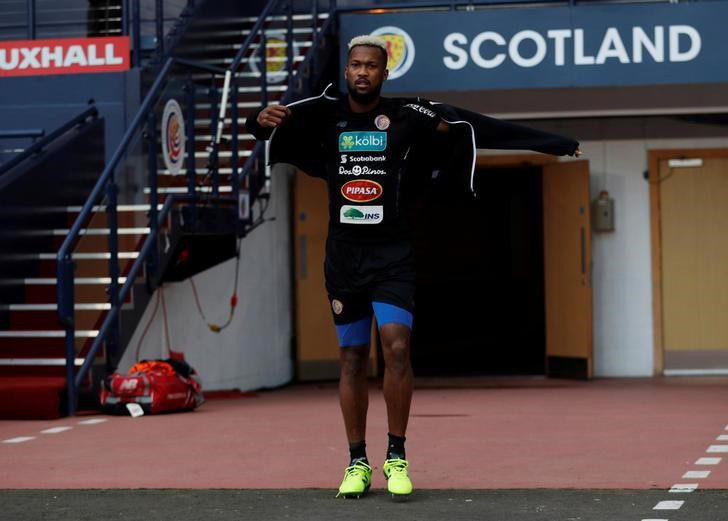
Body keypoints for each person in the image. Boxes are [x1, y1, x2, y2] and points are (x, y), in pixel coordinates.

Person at [246, 35, 581, 499]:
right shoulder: (322, 113)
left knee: (396, 347)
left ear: (385, 74)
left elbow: (473, 125)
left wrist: (553, 144)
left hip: (393, 255)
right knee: (352, 357)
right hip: (344, 258)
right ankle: (357, 462)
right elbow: (267, 128)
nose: (363, 72)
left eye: (372, 67)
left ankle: (397, 456)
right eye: (356, 65)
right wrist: (256, 120)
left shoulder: (410, 115)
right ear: (346, 72)